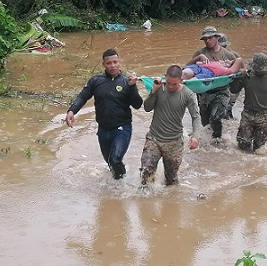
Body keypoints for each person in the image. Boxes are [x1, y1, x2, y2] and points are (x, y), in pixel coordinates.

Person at [65, 49, 143, 179]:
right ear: (103, 64)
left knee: (115, 159)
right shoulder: (96, 81)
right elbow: (82, 97)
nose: (112, 66)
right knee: (110, 163)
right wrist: (72, 111)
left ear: (119, 63)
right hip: (103, 129)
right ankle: (118, 185)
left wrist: (132, 87)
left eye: (115, 62)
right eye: (109, 63)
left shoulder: (126, 81)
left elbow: (137, 104)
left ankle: (121, 186)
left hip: (122, 128)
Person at [140, 65, 202, 186]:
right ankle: (146, 202)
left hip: (174, 143)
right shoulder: (159, 89)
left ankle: (170, 203)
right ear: (165, 77)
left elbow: (196, 117)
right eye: (168, 83)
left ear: (181, 80)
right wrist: (153, 91)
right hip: (154, 138)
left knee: (171, 180)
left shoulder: (188, 94)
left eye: (174, 84)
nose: (170, 86)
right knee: (146, 172)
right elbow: (147, 108)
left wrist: (195, 136)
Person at [189, 26, 237, 139]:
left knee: (216, 117)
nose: (207, 41)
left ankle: (218, 141)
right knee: (205, 122)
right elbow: (188, 68)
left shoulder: (228, 55)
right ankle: (208, 146)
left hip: (221, 91)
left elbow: (237, 71)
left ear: (216, 38)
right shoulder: (200, 53)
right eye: (205, 39)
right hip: (203, 92)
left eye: (210, 38)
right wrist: (197, 58)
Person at [218, 34, 242, 119]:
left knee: (228, 107)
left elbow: (243, 70)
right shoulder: (210, 55)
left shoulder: (234, 55)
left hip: (232, 84)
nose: (223, 48)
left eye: (224, 46)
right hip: (217, 85)